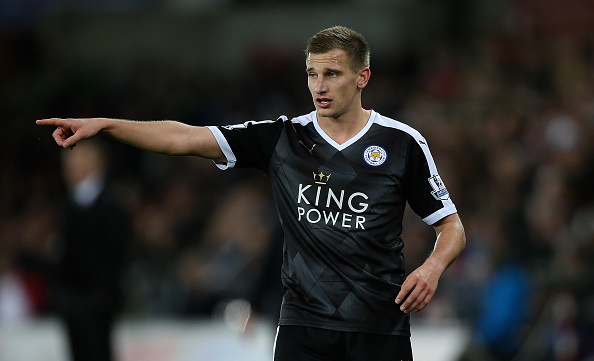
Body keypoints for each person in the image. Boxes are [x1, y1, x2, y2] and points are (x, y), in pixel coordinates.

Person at [37, 26, 466, 361]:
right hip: (304, 327)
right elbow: (185, 138)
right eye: (312, 74)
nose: (320, 85)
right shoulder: (282, 137)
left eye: (332, 74)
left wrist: (431, 268)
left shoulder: (401, 142)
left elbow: (451, 226)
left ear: (362, 77)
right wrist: (107, 126)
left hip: (379, 327)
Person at [52, 139, 131, 361]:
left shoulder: (111, 204)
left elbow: (116, 251)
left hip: (97, 301)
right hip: (72, 298)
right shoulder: (70, 203)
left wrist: (104, 294)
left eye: (74, 162)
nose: (68, 168)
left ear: (94, 164)